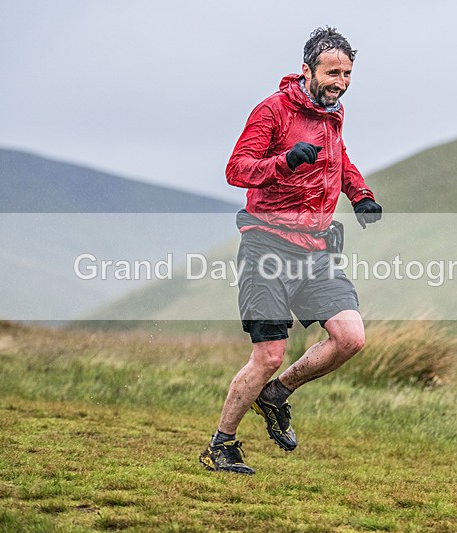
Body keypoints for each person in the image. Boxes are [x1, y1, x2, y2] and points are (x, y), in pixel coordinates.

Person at [199, 26, 382, 475]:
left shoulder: (333, 113)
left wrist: (359, 194)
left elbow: (340, 159)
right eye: (332, 72)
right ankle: (221, 445)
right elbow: (236, 169)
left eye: (348, 73)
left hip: (316, 249)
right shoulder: (273, 111)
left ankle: (277, 394)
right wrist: (284, 162)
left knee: (351, 338)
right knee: (269, 355)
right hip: (267, 246)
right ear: (306, 70)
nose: (341, 81)